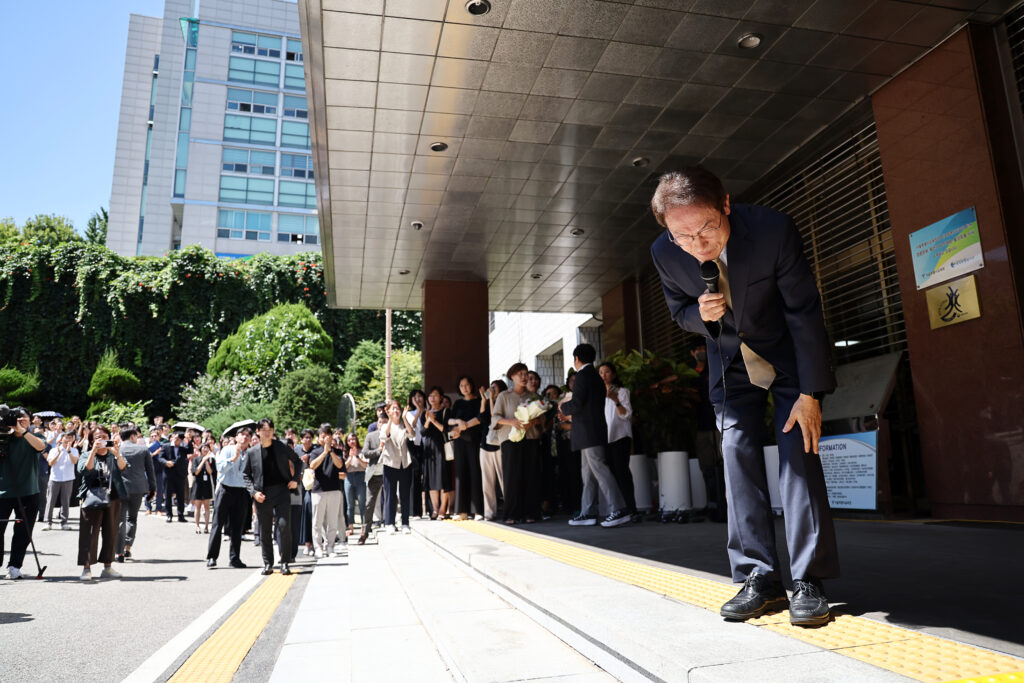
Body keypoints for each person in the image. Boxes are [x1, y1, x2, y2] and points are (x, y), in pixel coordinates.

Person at [650, 166, 838, 627]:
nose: (698, 244)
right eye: (684, 236)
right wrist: (700, 315)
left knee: (798, 454)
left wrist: (811, 392)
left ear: (726, 205)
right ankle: (759, 575)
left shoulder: (773, 230)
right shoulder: (665, 253)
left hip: (787, 357)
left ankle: (808, 579)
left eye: (707, 228)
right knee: (736, 454)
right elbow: (678, 312)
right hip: (730, 363)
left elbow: (803, 311)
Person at [560, 345, 630, 528]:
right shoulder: (596, 377)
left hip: (588, 432)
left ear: (576, 359)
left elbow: (577, 403)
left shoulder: (582, 376)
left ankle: (619, 509)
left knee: (599, 470)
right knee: (588, 474)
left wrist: (563, 407)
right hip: (592, 431)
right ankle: (587, 512)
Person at [243, 418, 302, 575]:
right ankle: (268, 563)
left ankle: (285, 562)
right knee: (265, 530)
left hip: (282, 491)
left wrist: (295, 480)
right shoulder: (252, 452)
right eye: (264, 429)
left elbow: (298, 462)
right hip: (262, 494)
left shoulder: (281, 447)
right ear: (258, 432)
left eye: (270, 429)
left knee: (283, 526)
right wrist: (254, 493)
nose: (267, 432)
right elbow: (246, 475)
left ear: (273, 431)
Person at [491, 363, 544, 525]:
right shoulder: (504, 396)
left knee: (531, 476)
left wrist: (533, 421)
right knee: (512, 477)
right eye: (520, 374)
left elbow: (542, 419)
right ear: (512, 376)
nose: (524, 377)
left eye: (525, 373)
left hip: (531, 439)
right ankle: (511, 514)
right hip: (510, 440)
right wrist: (511, 422)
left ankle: (531, 513)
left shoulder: (534, 396)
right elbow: (495, 418)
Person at [77, 425, 130, 581]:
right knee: (89, 534)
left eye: (104, 436)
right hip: (92, 497)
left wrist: (117, 454)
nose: (101, 439)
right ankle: (86, 568)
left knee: (111, 533)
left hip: (113, 497)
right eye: (97, 437)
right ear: (92, 440)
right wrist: (93, 451)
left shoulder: (113, 453)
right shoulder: (86, 454)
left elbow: (123, 467)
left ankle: (107, 566)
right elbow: (86, 470)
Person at [0, 408, 47, 579]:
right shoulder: (4, 437)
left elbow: (41, 447)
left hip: (28, 491)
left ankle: (14, 565)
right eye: (16, 418)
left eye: (23, 418)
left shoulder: (34, 436)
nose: (19, 420)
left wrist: (23, 431)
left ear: (30, 420)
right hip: (3, 491)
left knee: (23, 531)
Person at [598, 362, 638, 521]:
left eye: (607, 372)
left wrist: (615, 400)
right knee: (611, 474)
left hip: (620, 436)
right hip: (604, 439)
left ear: (613, 374)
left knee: (622, 473)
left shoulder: (622, 392)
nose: (603, 375)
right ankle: (618, 509)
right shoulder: (598, 395)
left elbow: (626, 415)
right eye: (600, 373)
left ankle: (632, 509)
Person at [206, 426, 251, 569]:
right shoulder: (227, 450)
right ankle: (212, 557)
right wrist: (234, 459)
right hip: (226, 489)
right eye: (241, 435)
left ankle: (234, 558)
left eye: (247, 435)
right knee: (217, 524)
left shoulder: (251, 453)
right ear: (236, 437)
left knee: (238, 527)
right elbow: (220, 469)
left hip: (242, 492)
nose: (244, 437)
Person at [691, 343, 726, 521]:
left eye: (703, 349)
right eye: (698, 350)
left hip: (718, 423)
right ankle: (713, 501)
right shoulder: (690, 374)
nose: (701, 352)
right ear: (692, 353)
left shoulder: (714, 368)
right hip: (701, 426)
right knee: (706, 466)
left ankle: (727, 501)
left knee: (724, 462)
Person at [116, 427, 156, 562]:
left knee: (120, 520)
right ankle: (127, 547)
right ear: (133, 436)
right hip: (138, 488)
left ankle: (119, 552)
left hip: (120, 487)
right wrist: (153, 488)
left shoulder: (118, 450)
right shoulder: (143, 450)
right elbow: (150, 471)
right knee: (132, 518)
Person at [448, 376, 484, 520]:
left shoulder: (479, 401)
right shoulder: (457, 403)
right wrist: (457, 421)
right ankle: (461, 511)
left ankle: (478, 511)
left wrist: (464, 426)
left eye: (467, 385)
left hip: (474, 441)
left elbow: (480, 418)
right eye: (461, 385)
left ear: (471, 385)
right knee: (460, 474)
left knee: (475, 473)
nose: (464, 388)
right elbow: (449, 420)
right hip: (459, 442)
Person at [308, 431, 345, 557]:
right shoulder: (314, 452)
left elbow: (340, 465)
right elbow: (312, 465)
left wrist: (330, 451)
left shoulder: (337, 451)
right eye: (322, 436)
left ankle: (330, 547)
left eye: (327, 436)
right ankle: (318, 547)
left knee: (332, 521)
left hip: (334, 489)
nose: (325, 439)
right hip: (318, 490)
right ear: (318, 438)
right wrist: (324, 452)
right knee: (317, 522)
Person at [380, 400, 414, 533]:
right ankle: (389, 523)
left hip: (405, 463)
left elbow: (412, 435)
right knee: (390, 494)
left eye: (398, 408)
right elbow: (384, 436)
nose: (396, 411)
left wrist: (405, 418)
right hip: (390, 463)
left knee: (405, 494)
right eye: (393, 409)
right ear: (388, 411)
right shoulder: (385, 425)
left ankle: (405, 523)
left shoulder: (404, 424)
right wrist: (389, 420)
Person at [419, 387, 451, 519]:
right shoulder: (424, 413)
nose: (433, 398)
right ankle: (435, 509)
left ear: (441, 398)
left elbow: (445, 429)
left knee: (443, 479)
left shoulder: (446, 411)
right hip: (429, 451)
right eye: (430, 396)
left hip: (442, 448)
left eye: (436, 395)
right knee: (432, 481)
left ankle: (443, 509)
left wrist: (433, 420)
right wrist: (428, 420)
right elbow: (422, 432)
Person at [358, 414, 386, 544]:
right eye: (380, 422)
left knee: (392, 499)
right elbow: (365, 452)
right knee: (369, 504)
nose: (382, 424)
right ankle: (364, 532)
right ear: (377, 423)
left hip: (389, 472)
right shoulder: (371, 436)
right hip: (374, 474)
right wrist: (378, 450)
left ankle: (389, 522)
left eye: (385, 422)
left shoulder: (392, 435)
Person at [45, 431, 79, 531]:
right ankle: (48, 522)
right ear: (62, 438)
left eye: (70, 438)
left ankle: (64, 522)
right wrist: (59, 453)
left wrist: (68, 451)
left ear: (73, 439)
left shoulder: (74, 450)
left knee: (66, 501)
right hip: (55, 478)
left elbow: (74, 461)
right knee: (50, 500)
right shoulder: (54, 450)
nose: (68, 440)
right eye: (66, 437)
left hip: (68, 478)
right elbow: (51, 463)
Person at [158, 432, 189, 522]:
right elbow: (160, 458)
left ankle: (181, 515)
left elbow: (191, 451)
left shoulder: (183, 448)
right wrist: (166, 462)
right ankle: (169, 514)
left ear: (181, 440)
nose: (176, 440)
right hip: (168, 473)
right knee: (168, 495)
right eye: (175, 438)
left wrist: (188, 440)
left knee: (180, 495)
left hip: (180, 474)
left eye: (178, 439)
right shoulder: (166, 446)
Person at [343, 432, 367, 535]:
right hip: (349, 478)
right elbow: (344, 468)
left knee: (362, 503)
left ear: (356, 440)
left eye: (353, 439)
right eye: (349, 440)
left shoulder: (362, 451)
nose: (351, 442)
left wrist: (357, 456)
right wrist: (350, 457)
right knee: (350, 504)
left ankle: (364, 527)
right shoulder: (344, 453)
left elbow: (365, 466)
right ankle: (350, 527)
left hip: (361, 476)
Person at [191, 443, 215, 534]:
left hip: (207, 484)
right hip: (198, 484)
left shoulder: (211, 460)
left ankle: (206, 526)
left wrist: (206, 461)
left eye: (207, 448)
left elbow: (210, 472)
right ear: (200, 449)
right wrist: (202, 461)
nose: (205, 449)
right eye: (204, 448)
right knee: (198, 507)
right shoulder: (196, 459)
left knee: (207, 507)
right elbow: (196, 472)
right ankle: (197, 526)